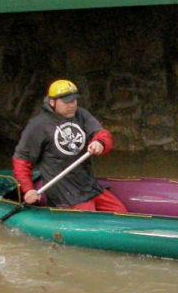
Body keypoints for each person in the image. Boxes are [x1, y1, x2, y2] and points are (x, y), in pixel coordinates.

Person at [11, 79, 128, 213]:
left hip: (87, 185)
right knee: (88, 215)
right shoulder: (38, 125)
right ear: (52, 102)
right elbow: (21, 160)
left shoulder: (81, 114)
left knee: (120, 211)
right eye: (67, 102)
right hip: (64, 192)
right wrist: (28, 189)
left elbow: (102, 134)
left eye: (74, 100)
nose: (72, 105)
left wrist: (100, 142)